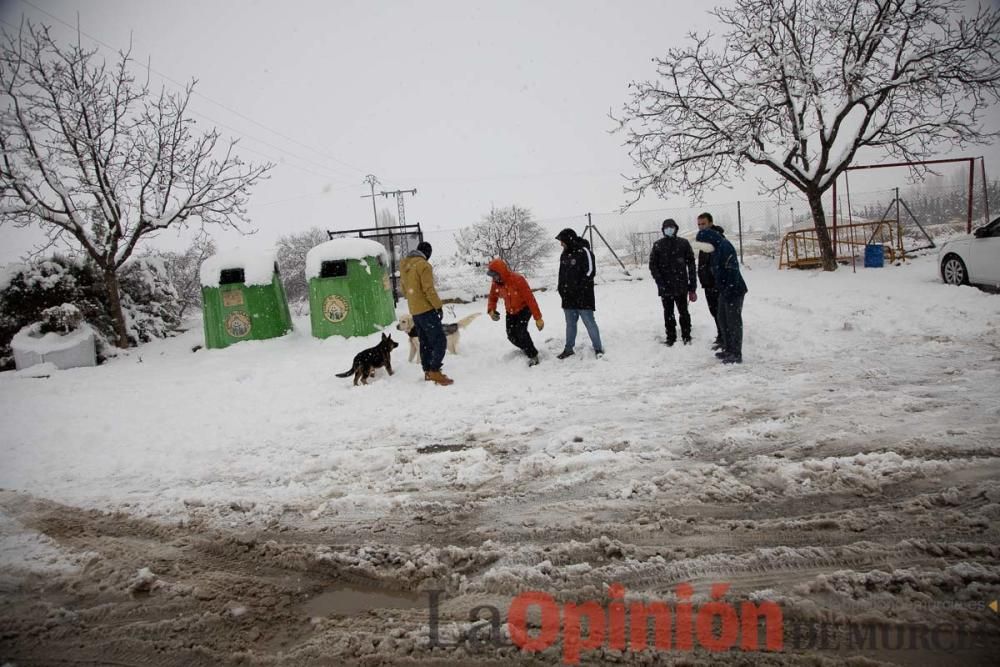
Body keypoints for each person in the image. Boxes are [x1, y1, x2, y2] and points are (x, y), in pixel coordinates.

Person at [399, 241, 453, 385]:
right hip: (427, 310)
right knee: (440, 340)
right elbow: (428, 289)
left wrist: (414, 299)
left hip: (415, 312)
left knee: (425, 342)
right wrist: (438, 306)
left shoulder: (405, 266)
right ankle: (435, 371)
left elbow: (404, 290)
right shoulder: (424, 265)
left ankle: (428, 371)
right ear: (427, 254)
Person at [696, 227, 747, 364]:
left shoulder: (725, 247)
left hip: (734, 291)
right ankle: (728, 349)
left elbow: (732, 271)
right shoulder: (716, 249)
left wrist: (729, 290)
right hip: (724, 291)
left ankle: (736, 353)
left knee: (733, 322)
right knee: (723, 319)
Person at [554, 228, 604, 359]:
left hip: (583, 297)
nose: (561, 244)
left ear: (569, 240)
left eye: (562, 241)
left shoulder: (584, 251)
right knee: (570, 324)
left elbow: (590, 272)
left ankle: (598, 349)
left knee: (589, 323)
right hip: (568, 298)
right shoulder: (564, 254)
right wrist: (561, 289)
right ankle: (568, 349)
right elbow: (561, 274)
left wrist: (579, 288)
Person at [485, 258, 544, 366]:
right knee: (511, 335)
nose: (493, 278)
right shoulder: (496, 283)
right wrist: (491, 310)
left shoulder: (518, 279)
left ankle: (533, 355)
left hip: (524, 309)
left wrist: (538, 318)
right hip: (510, 311)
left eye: (495, 275)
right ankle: (526, 347)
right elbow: (492, 297)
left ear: (501, 272)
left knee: (521, 331)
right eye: (492, 276)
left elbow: (530, 299)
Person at [648, 218, 697, 346]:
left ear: (676, 228)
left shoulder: (683, 243)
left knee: (683, 311)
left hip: (681, 285)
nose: (669, 229)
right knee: (668, 312)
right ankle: (671, 337)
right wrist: (660, 281)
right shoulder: (658, 245)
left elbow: (691, 264)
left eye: (671, 227)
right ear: (663, 230)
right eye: (666, 227)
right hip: (665, 286)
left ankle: (686, 335)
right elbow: (653, 265)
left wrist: (692, 286)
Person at [696, 212, 725, 350]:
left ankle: (725, 337)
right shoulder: (703, 240)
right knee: (714, 311)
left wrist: (716, 277)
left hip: (718, 283)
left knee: (721, 311)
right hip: (708, 283)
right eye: (699, 224)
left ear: (711, 223)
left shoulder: (717, 239)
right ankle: (721, 335)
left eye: (704, 224)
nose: (701, 227)